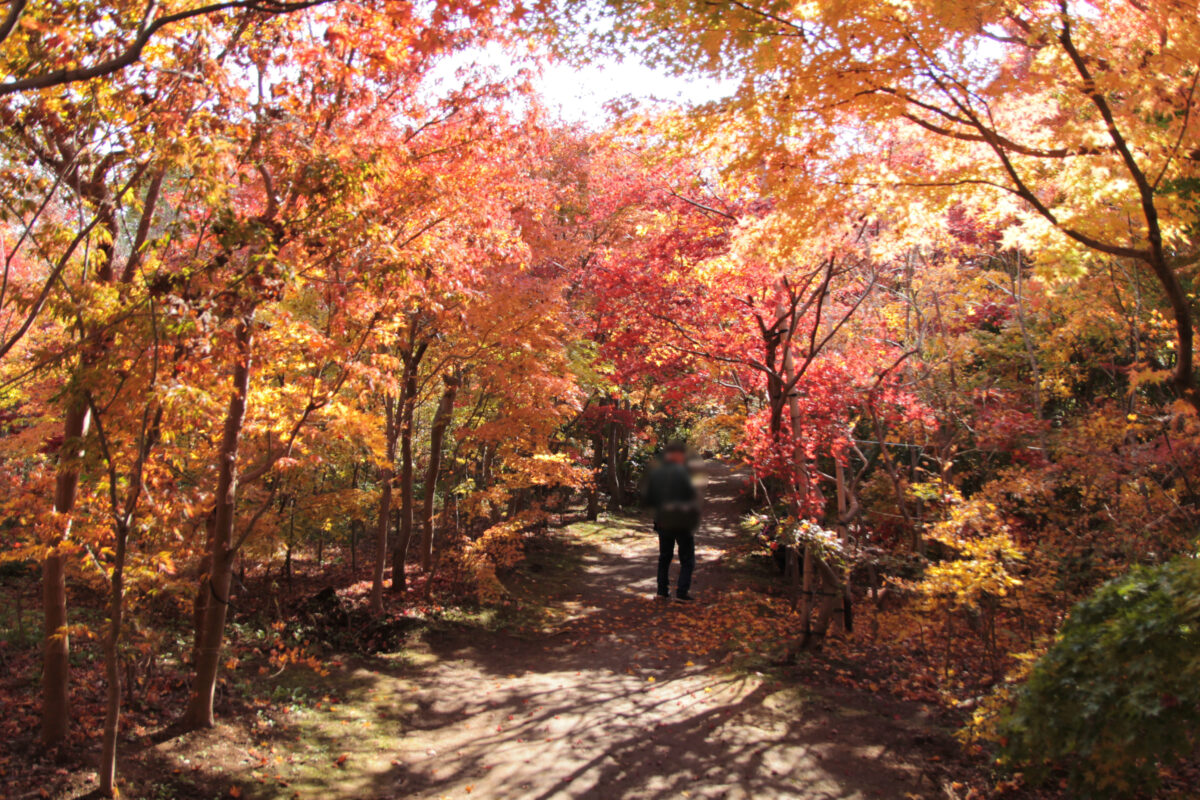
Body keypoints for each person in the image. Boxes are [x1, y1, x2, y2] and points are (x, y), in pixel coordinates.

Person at [641, 440, 700, 602]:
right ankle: (681, 593)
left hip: (663, 522)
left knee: (664, 557)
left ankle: (661, 592)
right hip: (682, 522)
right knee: (687, 558)